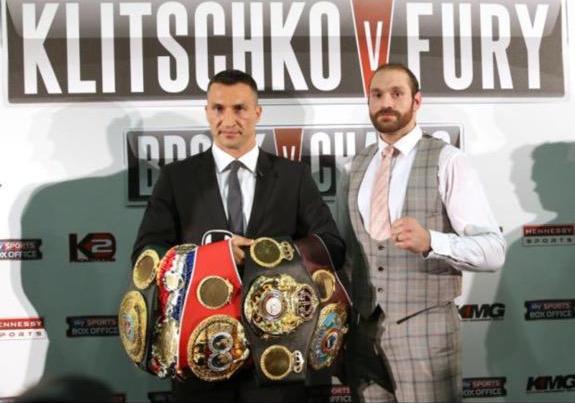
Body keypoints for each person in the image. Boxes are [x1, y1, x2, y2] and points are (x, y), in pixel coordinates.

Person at [132, 69, 345, 403]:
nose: (228, 120)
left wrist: (270, 256)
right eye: (219, 108)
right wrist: (214, 259)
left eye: (240, 108)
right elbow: (146, 255)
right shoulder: (177, 178)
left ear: (257, 112)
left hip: (276, 358)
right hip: (199, 357)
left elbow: (330, 246)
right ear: (207, 112)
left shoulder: (294, 176)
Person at [337, 63, 506, 402]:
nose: (386, 103)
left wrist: (432, 241)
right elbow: (347, 253)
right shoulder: (355, 166)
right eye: (377, 95)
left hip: (427, 333)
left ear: (417, 101)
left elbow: (493, 251)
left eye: (396, 93)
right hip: (363, 334)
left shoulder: (448, 160)